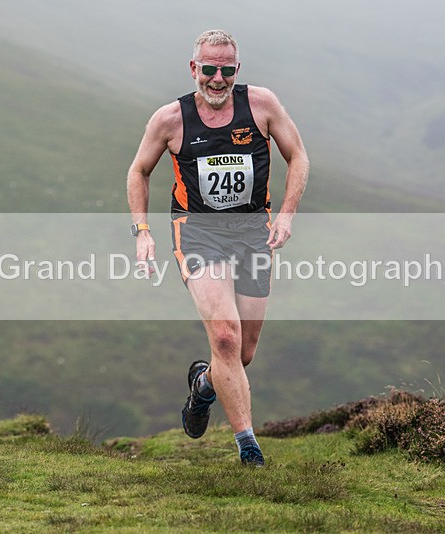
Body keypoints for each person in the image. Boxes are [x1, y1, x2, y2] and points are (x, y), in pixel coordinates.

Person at [126, 29, 309, 466]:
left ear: (236, 71)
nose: (217, 79)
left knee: (242, 353)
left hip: (251, 231)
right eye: (209, 69)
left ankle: (205, 386)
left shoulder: (261, 105)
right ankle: (249, 448)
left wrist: (286, 213)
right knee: (225, 338)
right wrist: (143, 231)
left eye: (226, 70)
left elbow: (298, 156)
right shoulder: (170, 119)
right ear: (194, 69)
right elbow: (139, 171)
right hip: (198, 232)